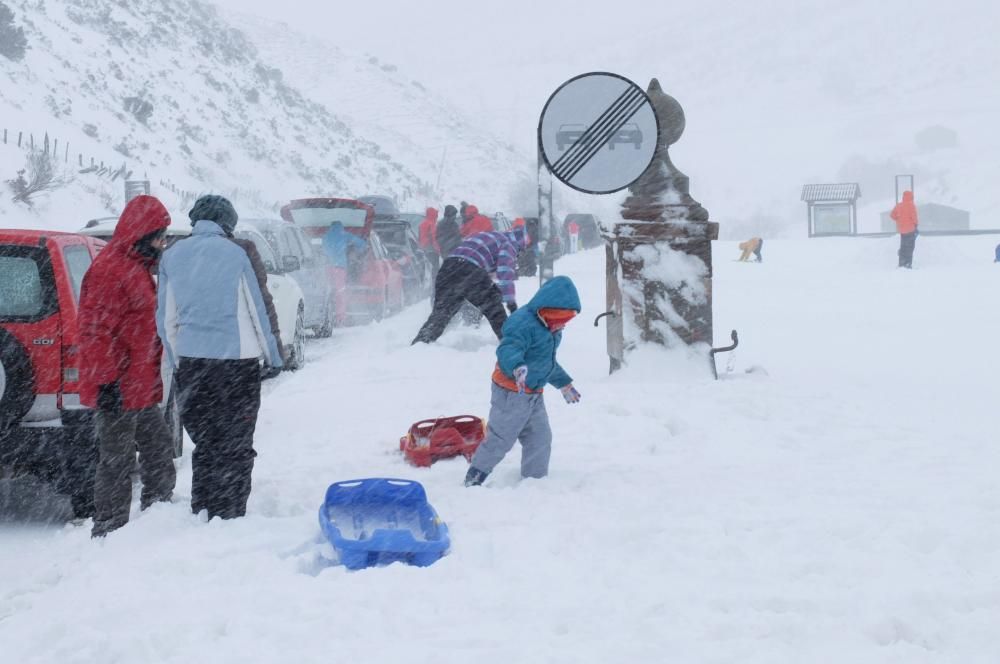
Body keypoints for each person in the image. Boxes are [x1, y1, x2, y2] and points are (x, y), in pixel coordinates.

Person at [156, 195, 283, 520]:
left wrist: (179, 359)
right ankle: (231, 510)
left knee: (206, 441)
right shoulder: (236, 254)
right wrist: (272, 356)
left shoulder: (172, 256)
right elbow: (257, 310)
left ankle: (203, 506)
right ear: (227, 223)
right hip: (236, 364)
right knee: (236, 441)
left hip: (193, 363)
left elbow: (165, 320)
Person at [78, 195, 177, 537]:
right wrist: (106, 383)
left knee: (158, 449)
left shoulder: (135, 268)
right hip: (118, 386)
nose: (162, 245)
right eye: (159, 238)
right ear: (141, 235)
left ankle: (157, 515)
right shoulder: (110, 271)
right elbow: (95, 332)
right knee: (117, 460)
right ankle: (108, 528)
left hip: (138, 385)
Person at [464, 276, 582, 487]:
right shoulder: (522, 323)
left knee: (540, 438)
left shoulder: (552, 331)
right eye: (557, 320)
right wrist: (517, 366)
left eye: (566, 321)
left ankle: (534, 482)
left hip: (534, 394)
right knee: (500, 439)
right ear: (544, 309)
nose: (561, 325)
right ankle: (475, 477)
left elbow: (545, 362)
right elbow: (507, 349)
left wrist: (564, 383)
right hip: (511, 392)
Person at [412, 226, 528, 344]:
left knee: (440, 315)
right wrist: (511, 304)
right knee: (494, 308)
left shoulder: (489, 235)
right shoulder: (509, 244)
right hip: (469, 270)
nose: (518, 255)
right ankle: (512, 343)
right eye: (520, 251)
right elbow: (505, 273)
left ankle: (419, 345)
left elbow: (479, 263)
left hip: (447, 268)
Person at [322, 221, 368, 325]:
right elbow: (360, 243)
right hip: (339, 267)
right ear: (341, 227)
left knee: (328, 291)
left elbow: (322, 249)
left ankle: (327, 315)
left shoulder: (325, 236)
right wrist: (364, 244)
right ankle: (340, 317)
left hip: (327, 267)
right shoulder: (343, 234)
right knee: (340, 291)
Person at [891, 190, 919, 268]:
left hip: (902, 230)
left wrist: (898, 219)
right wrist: (916, 225)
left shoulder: (899, 205)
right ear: (911, 197)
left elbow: (892, 215)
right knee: (910, 247)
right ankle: (908, 263)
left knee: (903, 246)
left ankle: (901, 263)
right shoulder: (911, 205)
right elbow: (914, 217)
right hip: (910, 230)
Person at [417, 207, 440, 281]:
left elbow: (419, 237)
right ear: (433, 215)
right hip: (431, 250)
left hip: (423, 249)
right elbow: (433, 239)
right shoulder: (431, 224)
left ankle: (424, 283)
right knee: (434, 270)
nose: (437, 217)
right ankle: (434, 284)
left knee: (426, 269)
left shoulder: (421, 224)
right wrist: (438, 250)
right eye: (436, 215)